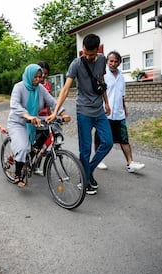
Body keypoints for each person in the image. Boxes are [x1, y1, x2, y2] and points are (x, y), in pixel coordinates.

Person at [48, 33, 113, 195]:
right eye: (85, 53)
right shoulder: (76, 64)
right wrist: (56, 110)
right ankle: (87, 180)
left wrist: (106, 102)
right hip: (83, 111)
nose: (88, 57)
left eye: (91, 54)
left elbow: (101, 82)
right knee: (85, 149)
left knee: (108, 142)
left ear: (97, 50)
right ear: (82, 48)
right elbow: (65, 89)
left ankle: (86, 173)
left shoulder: (102, 60)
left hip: (99, 111)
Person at [8, 64, 70, 187]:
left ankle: (35, 150)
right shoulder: (19, 87)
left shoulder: (40, 88)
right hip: (18, 122)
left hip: (35, 119)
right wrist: (28, 116)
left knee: (53, 125)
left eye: (39, 77)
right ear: (28, 75)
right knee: (23, 147)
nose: (37, 79)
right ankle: (18, 174)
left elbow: (52, 101)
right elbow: (15, 105)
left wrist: (63, 113)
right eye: (35, 77)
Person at [94, 51, 145, 172]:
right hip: (104, 114)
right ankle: (98, 160)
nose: (113, 63)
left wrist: (124, 109)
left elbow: (122, 96)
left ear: (119, 63)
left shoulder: (122, 77)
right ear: (107, 61)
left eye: (115, 61)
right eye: (110, 61)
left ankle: (130, 163)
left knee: (124, 139)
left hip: (119, 114)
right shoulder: (103, 75)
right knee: (100, 138)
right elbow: (99, 93)